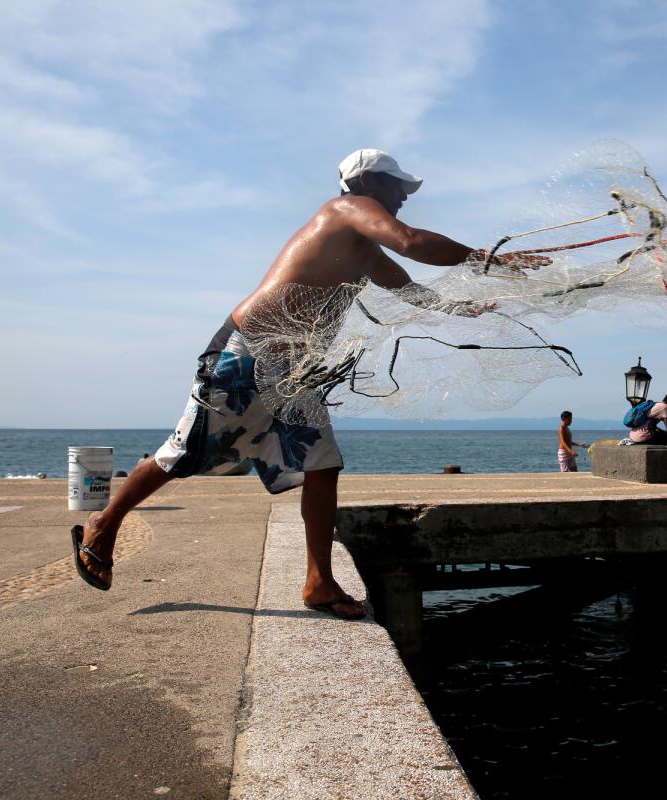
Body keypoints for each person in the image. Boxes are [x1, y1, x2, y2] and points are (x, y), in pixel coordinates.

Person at [69, 148, 548, 619]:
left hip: (297, 372)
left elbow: (413, 291)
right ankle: (104, 524)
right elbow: (413, 242)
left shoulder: (365, 250)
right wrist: (491, 260)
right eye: (396, 185)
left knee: (322, 464)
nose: (404, 195)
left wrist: (467, 309)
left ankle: (318, 580)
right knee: (182, 453)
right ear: (366, 185)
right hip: (248, 352)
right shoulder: (346, 209)